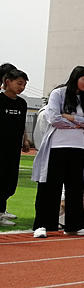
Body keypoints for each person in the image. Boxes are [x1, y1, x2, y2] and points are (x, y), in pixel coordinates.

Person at [32, 66, 84, 238]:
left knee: (75, 187)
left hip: (79, 147)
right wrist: (79, 124)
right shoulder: (59, 94)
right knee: (49, 186)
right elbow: (53, 118)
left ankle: (74, 226)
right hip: (57, 146)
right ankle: (42, 225)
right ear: (75, 77)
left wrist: (73, 118)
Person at [0, 65, 30, 227]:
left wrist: (25, 139)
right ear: (7, 82)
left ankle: (2, 210)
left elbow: (22, 123)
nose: (22, 87)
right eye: (19, 83)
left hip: (13, 148)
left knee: (9, 181)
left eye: (24, 84)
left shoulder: (22, 103)